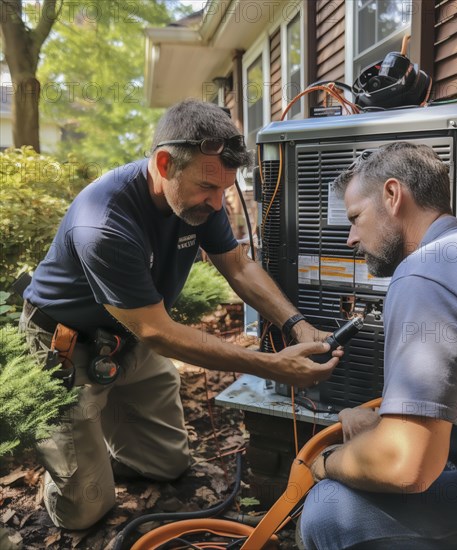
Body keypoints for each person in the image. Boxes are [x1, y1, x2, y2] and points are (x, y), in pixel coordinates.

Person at [19, 100, 340, 530]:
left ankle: (100, 440)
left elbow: (238, 265)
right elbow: (160, 333)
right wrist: (274, 366)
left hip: (129, 338)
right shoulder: (104, 222)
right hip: (67, 346)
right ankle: (73, 459)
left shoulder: (197, 196)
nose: (216, 201)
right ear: (165, 162)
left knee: (166, 466)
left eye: (225, 189)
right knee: (85, 510)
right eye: (209, 188)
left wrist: (295, 324)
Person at [300, 142, 457, 549]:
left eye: (355, 218)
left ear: (393, 196)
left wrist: (326, 464)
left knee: (330, 509)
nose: (350, 238)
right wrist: (379, 431)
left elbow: (405, 465)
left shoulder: (425, 271)